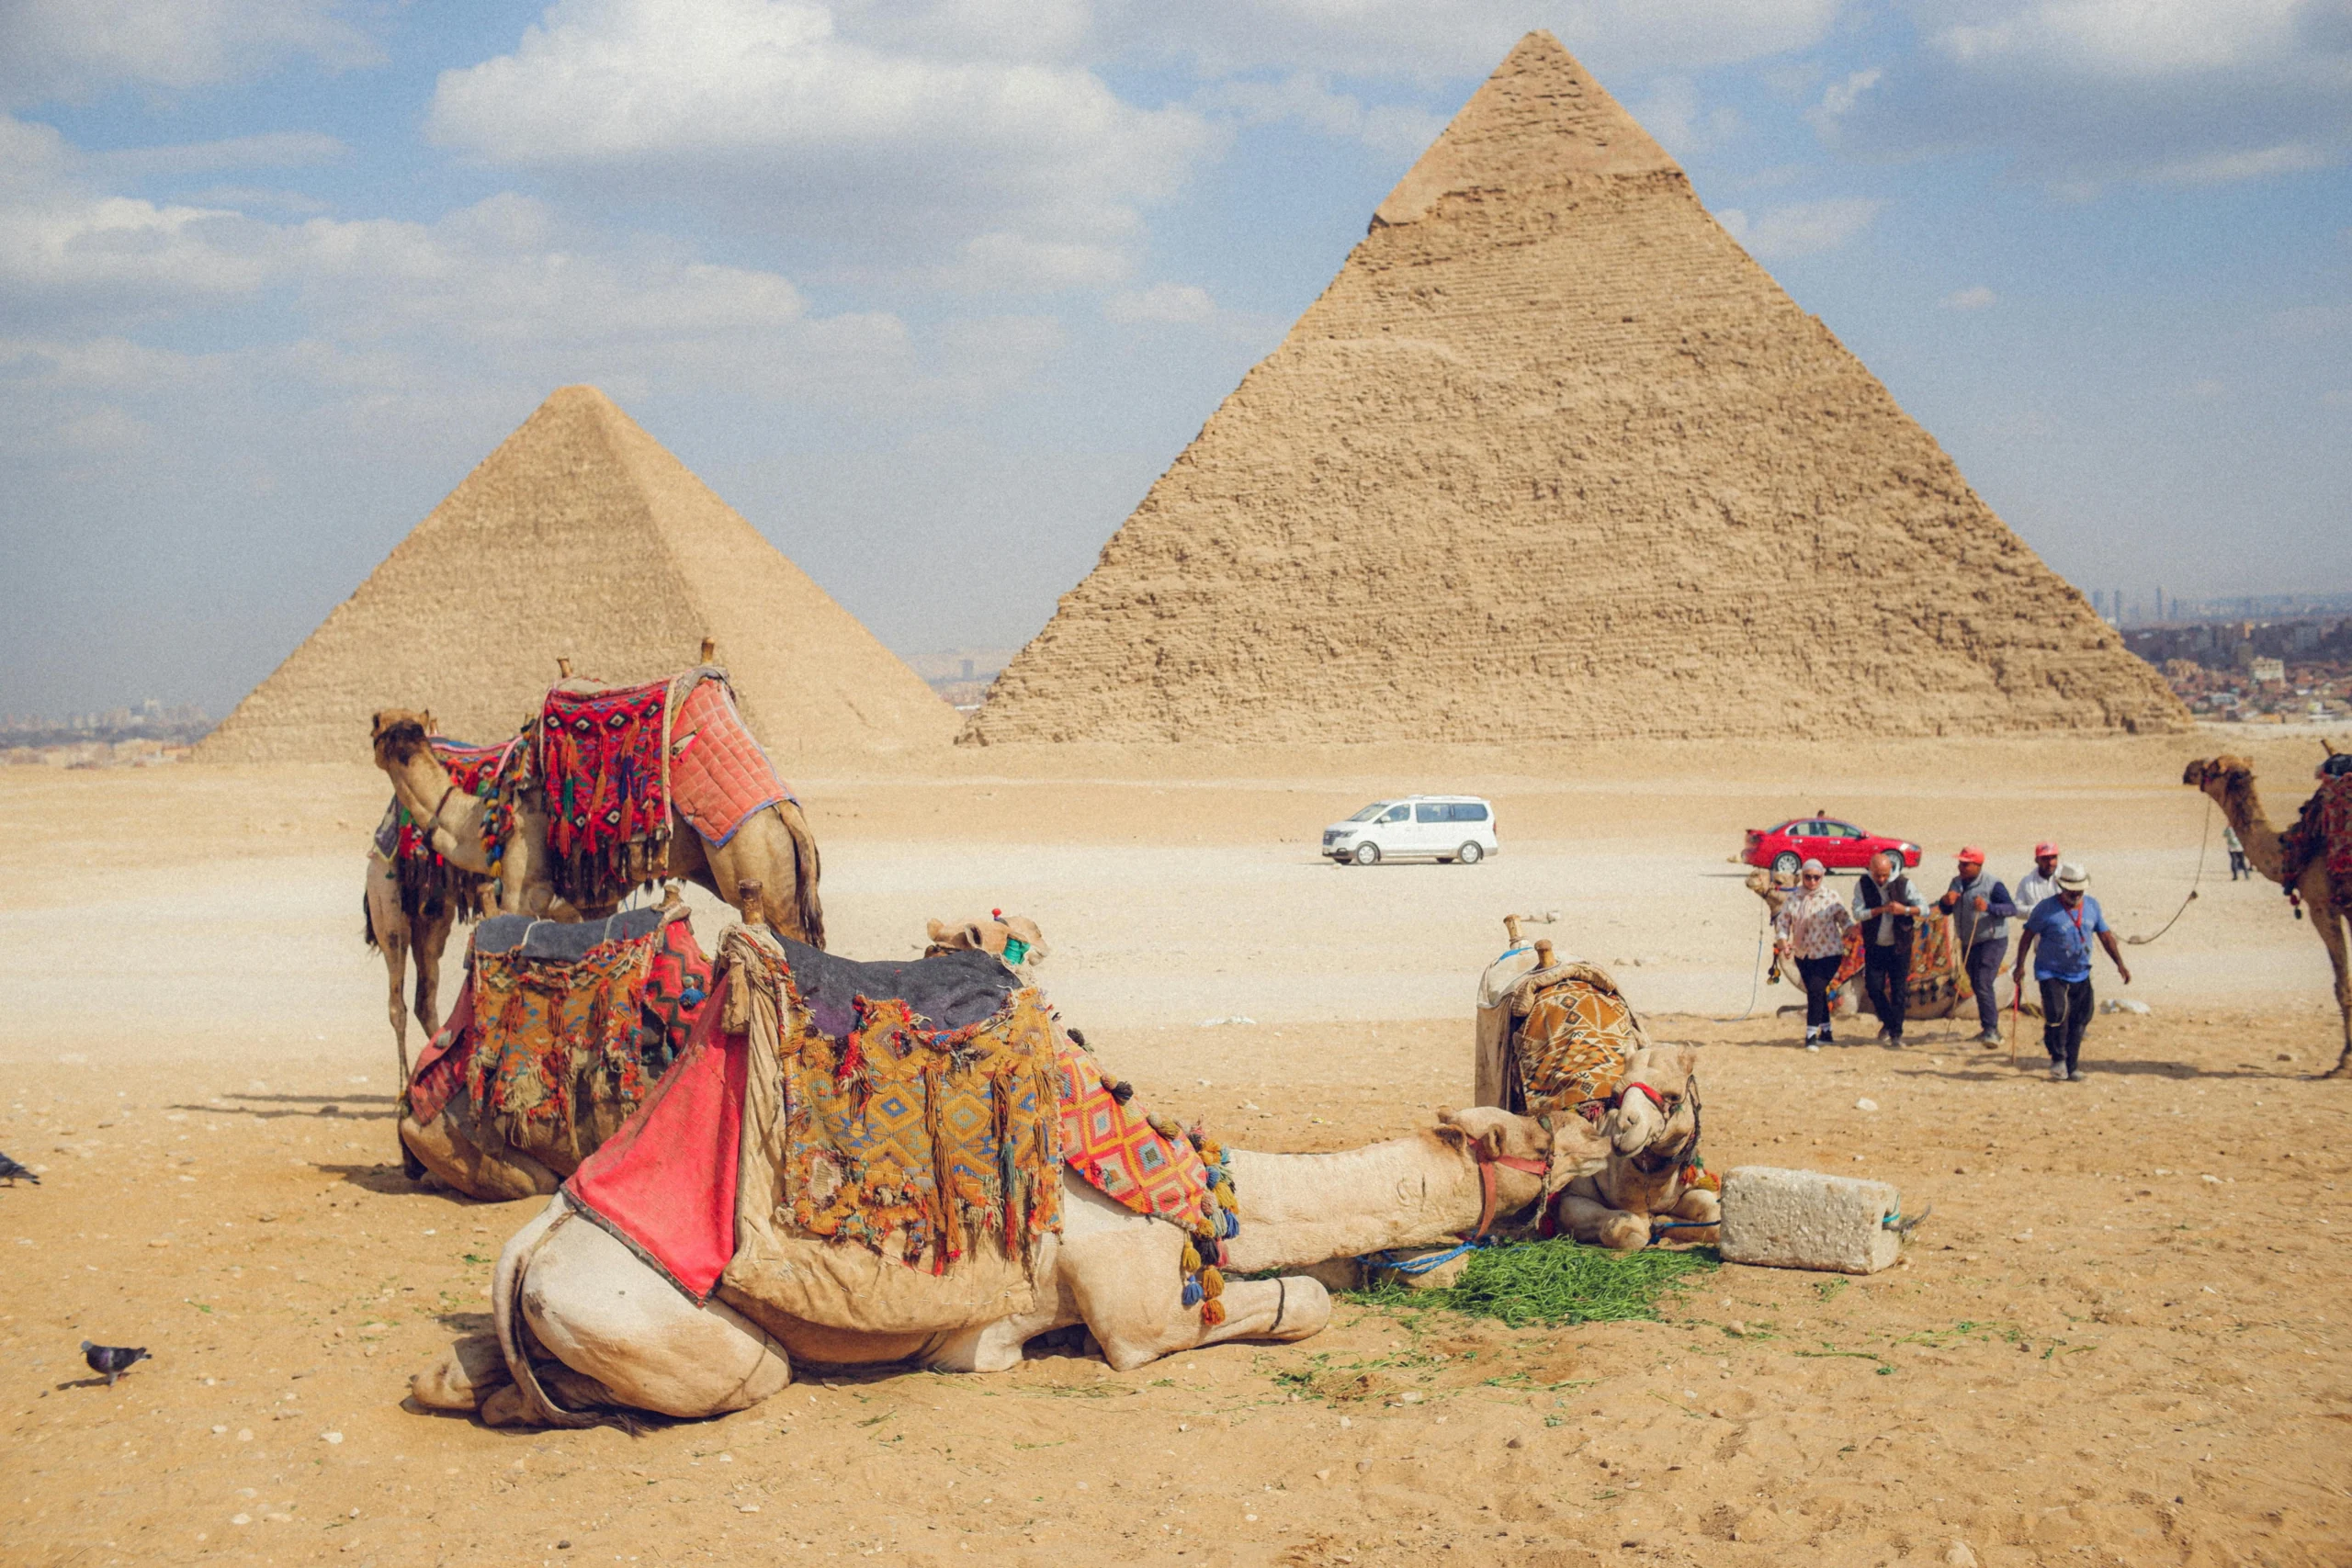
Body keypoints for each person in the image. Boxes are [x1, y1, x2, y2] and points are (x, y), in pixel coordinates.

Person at [2011, 862, 2132, 1081]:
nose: (2075, 894)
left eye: (2079, 890)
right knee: (2058, 1014)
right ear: (2062, 887)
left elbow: (2105, 936)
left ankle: (2072, 1065)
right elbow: (2027, 936)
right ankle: (2058, 1059)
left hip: (2081, 972)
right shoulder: (2045, 909)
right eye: (2071, 890)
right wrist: (2020, 966)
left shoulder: (2093, 906)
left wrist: (2120, 964)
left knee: (2081, 1017)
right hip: (2051, 971)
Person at [1771, 857, 1855, 1049]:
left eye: (1816, 877)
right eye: (1808, 877)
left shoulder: (1831, 897)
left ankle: (1810, 1036)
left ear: (1822, 876)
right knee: (1816, 992)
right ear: (1802, 877)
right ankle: (1826, 1032)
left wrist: (1852, 930)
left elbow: (1845, 921)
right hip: (1803, 954)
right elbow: (1783, 925)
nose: (1812, 882)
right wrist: (1783, 942)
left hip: (1829, 953)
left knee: (1816, 990)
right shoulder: (1793, 899)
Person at [1939, 847, 2018, 1047]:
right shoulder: (1956, 883)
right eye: (1960, 863)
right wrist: (1946, 901)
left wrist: (1989, 908)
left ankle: (1992, 1030)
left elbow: (2011, 908)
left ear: (1978, 865)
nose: (1961, 867)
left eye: (1965, 864)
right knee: (1976, 983)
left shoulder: (1993, 884)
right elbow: (1945, 910)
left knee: (1983, 981)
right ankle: (1987, 1028)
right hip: (1968, 941)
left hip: (1992, 940)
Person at [1851, 851, 1923, 1047]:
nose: (1882, 879)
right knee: (1874, 988)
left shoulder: (1904, 884)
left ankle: (1896, 1034)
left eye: (1885, 874)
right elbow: (1857, 912)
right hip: (1875, 945)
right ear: (1871, 870)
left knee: (1899, 991)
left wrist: (1904, 910)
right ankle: (1890, 1023)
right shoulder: (1863, 885)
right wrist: (1879, 910)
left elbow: (1923, 908)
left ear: (1890, 870)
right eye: (1878, 875)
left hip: (1899, 945)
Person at [2016, 842, 2062, 916]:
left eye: (2053, 857)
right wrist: (2038, 910)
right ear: (2037, 860)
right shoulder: (2027, 882)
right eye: (2045, 859)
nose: (2050, 863)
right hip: (2038, 925)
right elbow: (2017, 909)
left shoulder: (2067, 877)